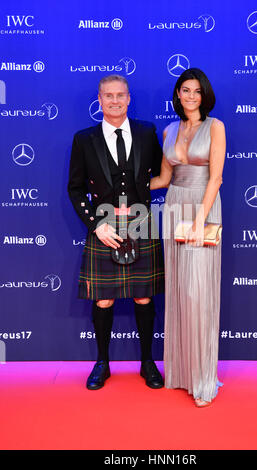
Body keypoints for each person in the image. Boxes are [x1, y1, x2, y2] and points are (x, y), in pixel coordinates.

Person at [68, 74, 164, 390]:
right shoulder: (84, 139)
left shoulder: (147, 132)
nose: (115, 101)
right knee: (103, 300)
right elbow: (75, 188)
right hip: (104, 226)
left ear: (129, 98)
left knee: (143, 296)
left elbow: (159, 174)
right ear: (99, 100)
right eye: (108, 96)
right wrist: (96, 225)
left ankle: (148, 362)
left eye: (120, 95)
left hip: (141, 222)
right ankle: (102, 362)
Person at [150, 68, 226, 407]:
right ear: (178, 94)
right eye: (185, 90)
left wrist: (199, 219)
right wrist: (118, 189)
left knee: (199, 291)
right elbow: (164, 179)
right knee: (180, 290)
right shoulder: (169, 130)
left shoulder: (216, 127)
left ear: (204, 94)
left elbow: (216, 179)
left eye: (196, 90)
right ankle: (181, 372)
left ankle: (203, 378)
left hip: (202, 209)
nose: (191, 95)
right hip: (174, 207)